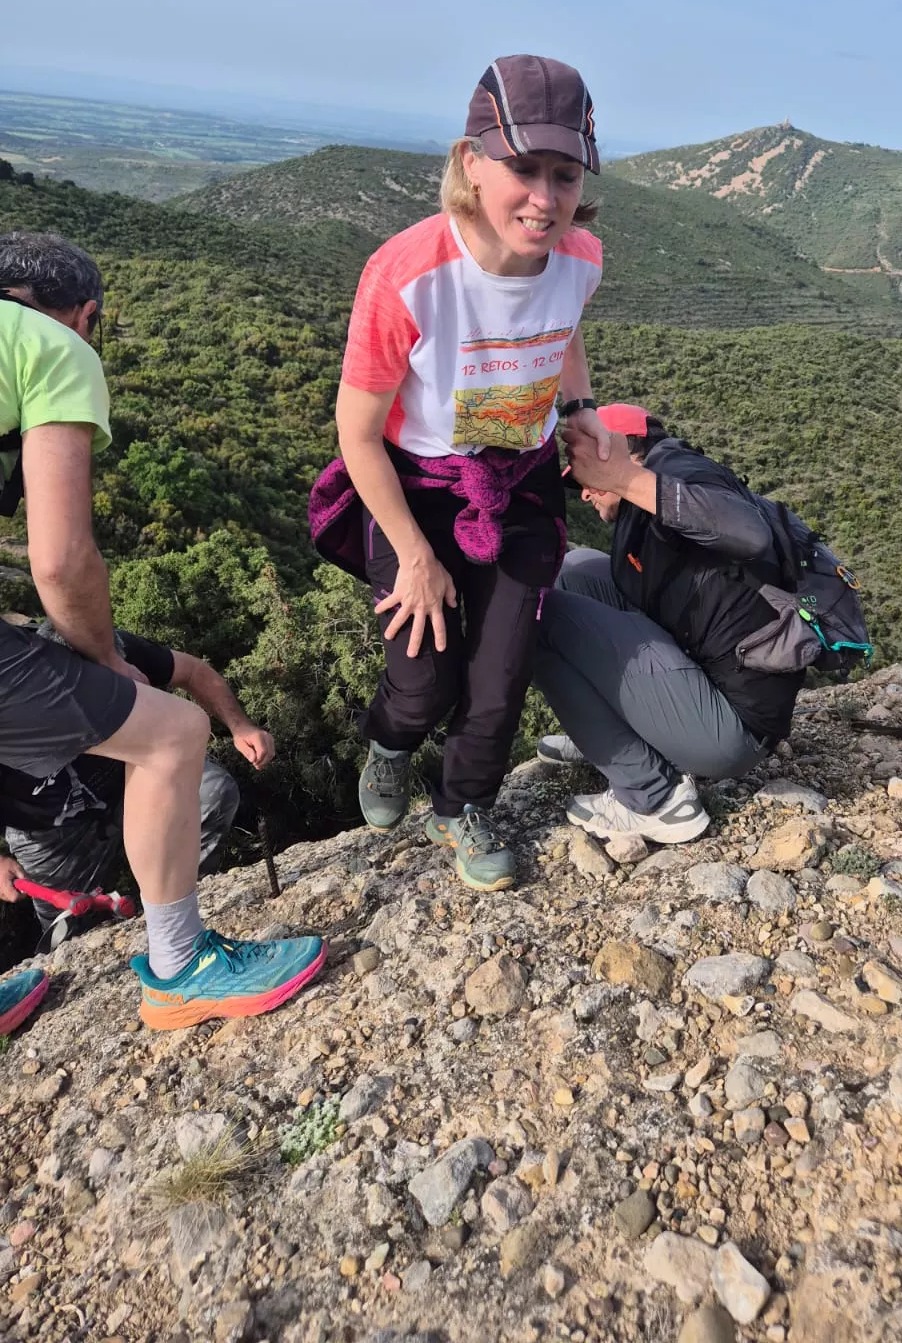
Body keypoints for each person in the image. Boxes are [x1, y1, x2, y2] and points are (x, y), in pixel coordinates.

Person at [0, 230, 324, 1029]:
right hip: (51, 833)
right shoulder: (50, 345)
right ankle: (180, 969)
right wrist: (105, 658)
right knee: (174, 734)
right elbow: (64, 559)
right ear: (87, 314)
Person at [330, 55, 609, 892]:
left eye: (565, 174)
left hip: (519, 485)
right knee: (422, 677)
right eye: (523, 168)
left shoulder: (581, 260)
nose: (545, 198)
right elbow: (358, 435)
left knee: (499, 678)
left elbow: (562, 334)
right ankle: (390, 743)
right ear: (470, 162)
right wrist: (413, 554)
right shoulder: (408, 274)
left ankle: (463, 806)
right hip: (416, 488)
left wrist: (582, 411)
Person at [533, 404, 812, 843]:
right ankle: (616, 740)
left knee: (537, 617)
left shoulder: (680, 473)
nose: (585, 491)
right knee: (575, 570)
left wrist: (623, 479)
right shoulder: (649, 500)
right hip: (705, 682)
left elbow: (749, 532)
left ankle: (654, 797)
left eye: (587, 474)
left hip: (730, 730)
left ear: (625, 451)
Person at [0, 621, 272, 949]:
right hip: (47, 834)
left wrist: (240, 726)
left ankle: (180, 907)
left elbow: (194, 671)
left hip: (133, 785)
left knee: (211, 794)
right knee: (69, 935)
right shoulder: (15, 685)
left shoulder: (106, 650)